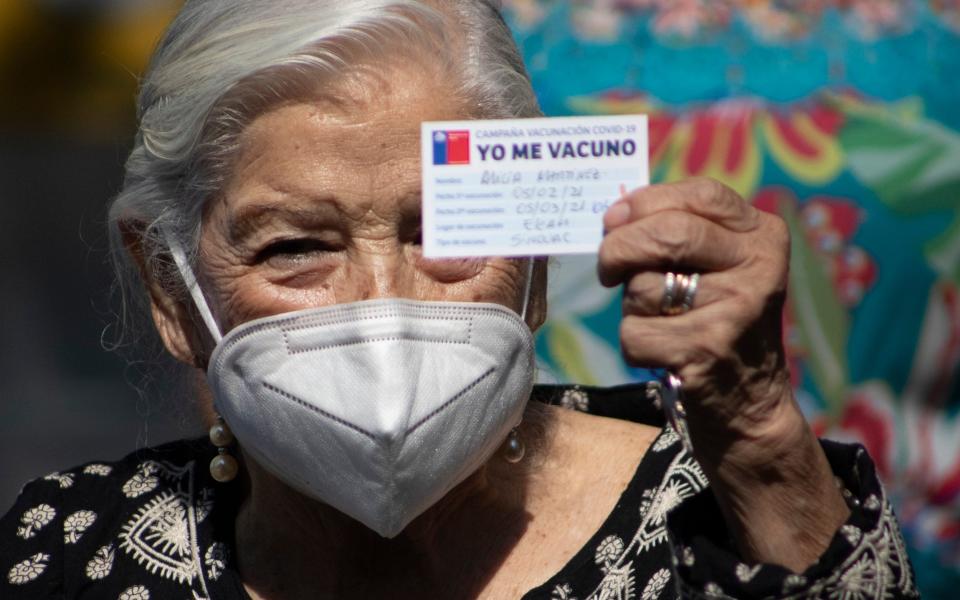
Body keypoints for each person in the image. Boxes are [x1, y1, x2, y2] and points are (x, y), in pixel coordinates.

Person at [1, 1, 917, 598]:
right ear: (171, 287)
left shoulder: (707, 524)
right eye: (295, 249)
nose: (383, 304)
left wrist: (757, 434)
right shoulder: (71, 555)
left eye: (445, 235)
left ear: (534, 267)